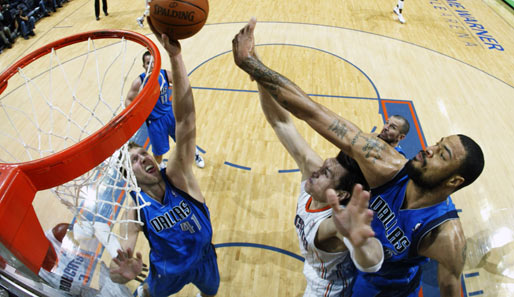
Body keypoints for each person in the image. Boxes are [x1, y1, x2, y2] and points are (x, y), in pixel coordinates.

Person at [232, 18, 484, 297]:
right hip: (360, 278)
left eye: (441, 154)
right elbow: (311, 112)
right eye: (437, 143)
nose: (427, 149)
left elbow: (446, 287)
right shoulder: (385, 163)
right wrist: (251, 65)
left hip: (395, 288)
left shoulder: (447, 237)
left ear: (455, 180)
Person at [253, 56, 384, 295]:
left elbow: (373, 262)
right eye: (325, 164)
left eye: (326, 173)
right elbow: (281, 122)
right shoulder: (316, 178)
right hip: (313, 268)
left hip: (326, 289)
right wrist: (258, 71)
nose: (317, 170)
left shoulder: (334, 224)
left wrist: (361, 242)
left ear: (342, 193)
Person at [110, 19, 219, 297]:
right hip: (167, 271)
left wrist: (175, 55)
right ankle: (143, 292)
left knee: (211, 292)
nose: (143, 159)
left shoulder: (178, 176)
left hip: (205, 259)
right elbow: (121, 252)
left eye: (142, 153)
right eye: (133, 161)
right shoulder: (135, 207)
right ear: (129, 176)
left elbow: (186, 120)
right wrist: (120, 274)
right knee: (149, 293)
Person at [125, 50, 205, 169]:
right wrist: (138, 114)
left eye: (153, 62)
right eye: (148, 63)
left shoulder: (165, 75)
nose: (151, 66)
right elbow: (128, 100)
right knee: (158, 152)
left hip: (170, 114)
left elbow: (181, 82)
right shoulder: (139, 82)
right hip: (154, 122)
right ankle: (162, 167)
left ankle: (196, 154)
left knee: (185, 139)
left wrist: (180, 100)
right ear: (143, 66)